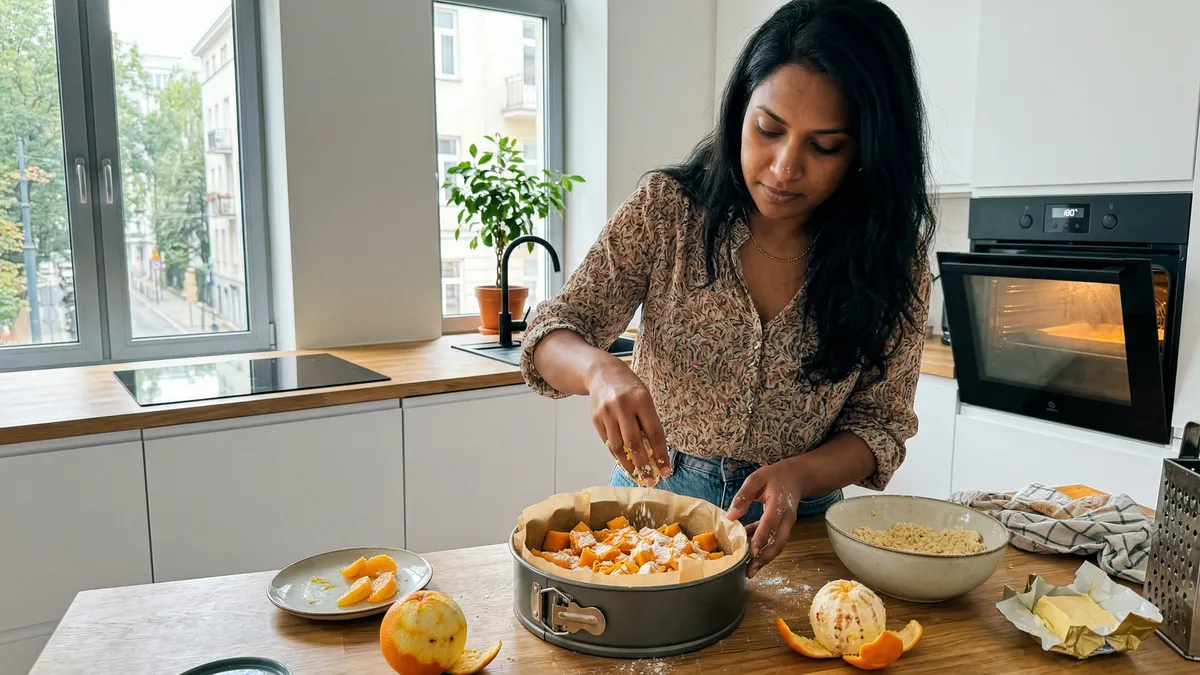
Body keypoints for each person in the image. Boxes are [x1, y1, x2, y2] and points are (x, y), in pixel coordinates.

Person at [519, 0, 933, 578]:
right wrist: (599, 371)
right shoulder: (669, 212)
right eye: (769, 129)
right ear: (741, 109)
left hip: (797, 530)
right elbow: (548, 334)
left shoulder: (894, 261)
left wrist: (797, 475)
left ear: (867, 149)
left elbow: (880, 425)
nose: (785, 167)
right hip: (649, 519)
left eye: (825, 146)